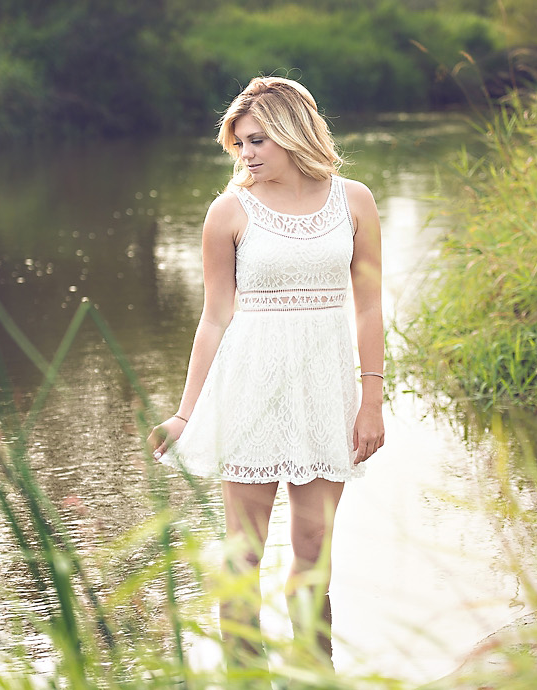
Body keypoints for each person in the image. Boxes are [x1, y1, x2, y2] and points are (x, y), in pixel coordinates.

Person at [145, 75, 385, 669]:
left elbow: (371, 303)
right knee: (244, 552)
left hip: (325, 393)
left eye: (256, 140)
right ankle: (245, 677)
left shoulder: (354, 201)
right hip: (250, 391)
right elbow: (214, 319)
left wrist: (372, 400)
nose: (246, 154)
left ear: (291, 133)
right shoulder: (228, 212)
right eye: (239, 144)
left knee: (313, 548)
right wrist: (185, 413)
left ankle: (313, 671)